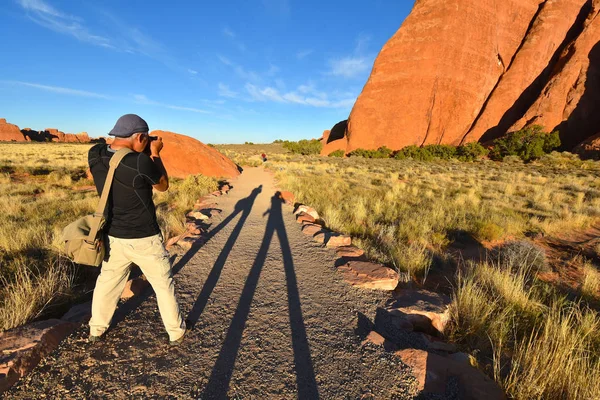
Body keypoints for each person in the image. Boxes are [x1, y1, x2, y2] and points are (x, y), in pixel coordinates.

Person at [87, 114, 187, 346]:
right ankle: (176, 332)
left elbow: (110, 151)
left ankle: (96, 329)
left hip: (112, 235)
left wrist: (136, 146)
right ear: (140, 136)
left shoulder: (95, 153)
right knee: (163, 285)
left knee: (107, 283)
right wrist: (155, 152)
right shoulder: (141, 162)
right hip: (144, 238)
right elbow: (162, 185)